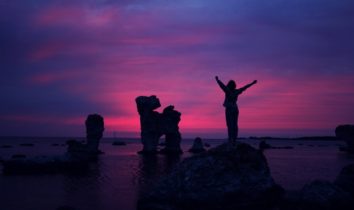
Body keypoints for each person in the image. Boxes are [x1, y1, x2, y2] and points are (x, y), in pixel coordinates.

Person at [215, 76, 257, 143]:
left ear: (228, 85)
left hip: (229, 109)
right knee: (234, 124)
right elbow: (245, 87)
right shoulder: (236, 91)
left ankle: (231, 138)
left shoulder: (227, 91)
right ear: (234, 86)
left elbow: (222, 86)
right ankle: (234, 138)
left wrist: (217, 80)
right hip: (235, 108)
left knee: (230, 124)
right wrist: (252, 83)